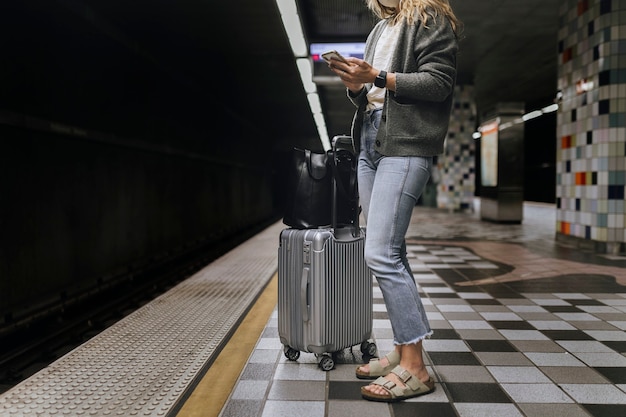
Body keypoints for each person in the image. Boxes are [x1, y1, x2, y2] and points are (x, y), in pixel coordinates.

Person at [326, 0, 460, 403]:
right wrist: (357, 86)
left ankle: (416, 368)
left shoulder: (429, 17)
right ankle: (404, 351)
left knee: (380, 252)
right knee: (392, 250)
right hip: (370, 140)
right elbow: (370, 96)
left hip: (405, 144)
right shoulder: (379, 29)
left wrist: (379, 76)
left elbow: (439, 83)